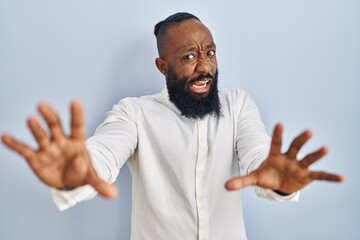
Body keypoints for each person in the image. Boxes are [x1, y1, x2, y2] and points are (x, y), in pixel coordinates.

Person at [1, 12, 344, 240]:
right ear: (162, 66)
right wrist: (77, 172)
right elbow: (103, 154)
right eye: (189, 57)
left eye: (209, 52)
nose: (204, 66)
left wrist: (279, 182)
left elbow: (257, 155)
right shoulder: (134, 113)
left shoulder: (238, 104)